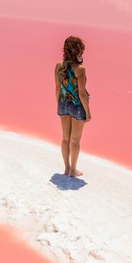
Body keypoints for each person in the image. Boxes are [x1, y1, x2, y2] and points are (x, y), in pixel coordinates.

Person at [55, 36, 91, 177]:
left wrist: (58, 104)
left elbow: (57, 88)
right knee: (75, 140)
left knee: (65, 138)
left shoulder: (59, 66)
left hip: (63, 103)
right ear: (79, 50)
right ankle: (73, 170)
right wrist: (88, 112)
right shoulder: (80, 69)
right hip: (77, 106)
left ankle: (66, 168)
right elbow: (81, 93)